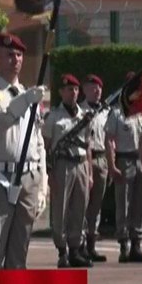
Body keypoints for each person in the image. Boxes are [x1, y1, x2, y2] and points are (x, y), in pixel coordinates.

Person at [0, 33, 48, 270]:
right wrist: (24, 102)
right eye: (9, 54)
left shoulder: (29, 94)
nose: (15, 59)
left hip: (28, 178)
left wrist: (43, 183)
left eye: (19, 54)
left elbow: (38, 142)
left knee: (20, 250)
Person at [43, 74, 93, 269]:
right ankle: (62, 251)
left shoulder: (85, 116)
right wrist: (49, 173)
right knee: (61, 210)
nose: (72, 93)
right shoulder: (53, 117)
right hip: (62, 165)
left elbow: (87, 145)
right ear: (61, 92)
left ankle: (75, 250)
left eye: (75, 89)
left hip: (80, 164)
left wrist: (89, 172)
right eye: (68, 90)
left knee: (80, 209)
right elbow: (46, 147)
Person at [106, 71, 142, 265]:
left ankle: (137, 244)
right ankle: (124, 245)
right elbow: (109, 140)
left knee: (141, 203)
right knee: (123, 203)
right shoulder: (117, 112)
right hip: (125, 160)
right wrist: (112, 166)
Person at [81, 74, 110, 263]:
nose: (97, 91)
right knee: (82, 204)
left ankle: (92, 244)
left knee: (96, 205)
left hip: (102, 159)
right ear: (85, 90)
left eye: (99, 87)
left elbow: (109, 140)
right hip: (85, 159)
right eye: (93, 87)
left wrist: (111, 162)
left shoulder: (105, 112)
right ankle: (80, 244)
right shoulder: (80, 111)